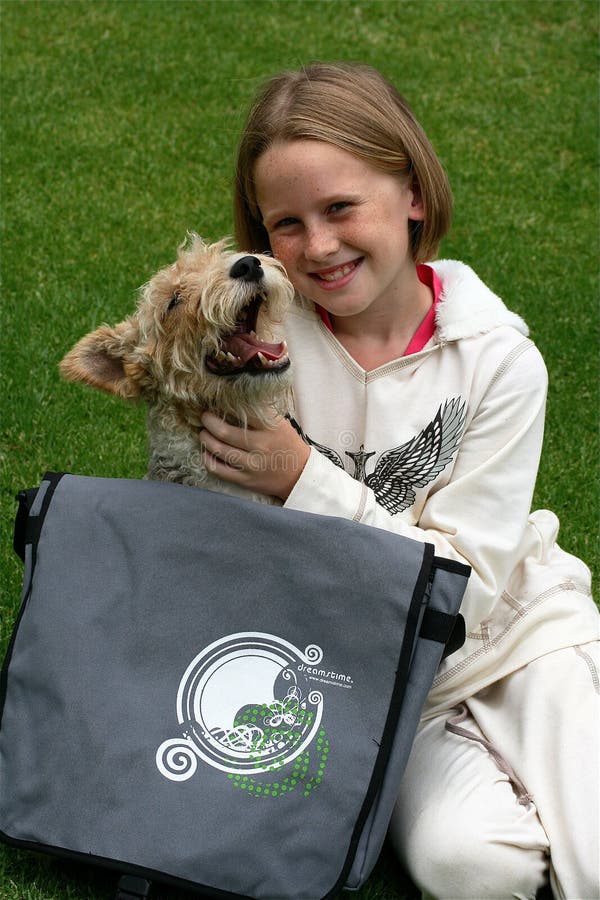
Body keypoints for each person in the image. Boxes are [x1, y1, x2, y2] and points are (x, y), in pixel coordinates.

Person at [198, 63, 599, 900]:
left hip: (521, 640)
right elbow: (222, 548)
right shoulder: (257, 352)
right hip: (373, 676)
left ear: (412, 194)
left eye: (341, 207)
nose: (318, 247)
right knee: (474, 869)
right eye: (286, 224)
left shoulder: (499, 359)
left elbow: (468, 592)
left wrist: (304, 478)